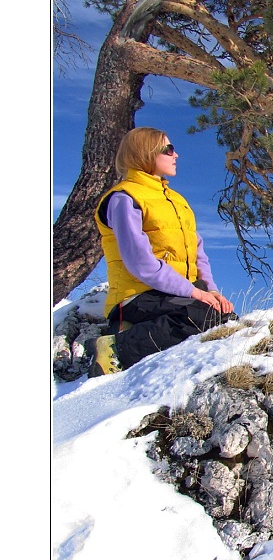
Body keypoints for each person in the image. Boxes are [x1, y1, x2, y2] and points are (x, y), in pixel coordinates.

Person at [85, 127, 236, 377]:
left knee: (223, 315)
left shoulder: (177, 201)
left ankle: (137, 329)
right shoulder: (124, 198)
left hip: (173, 294)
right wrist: (194, 293)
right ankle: (115, 348)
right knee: (204, 315)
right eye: (169, 149)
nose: (176, 155)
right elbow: (140, 263)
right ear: (145, 152)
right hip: (137, 294)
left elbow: (198, 253)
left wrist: (211, 291)